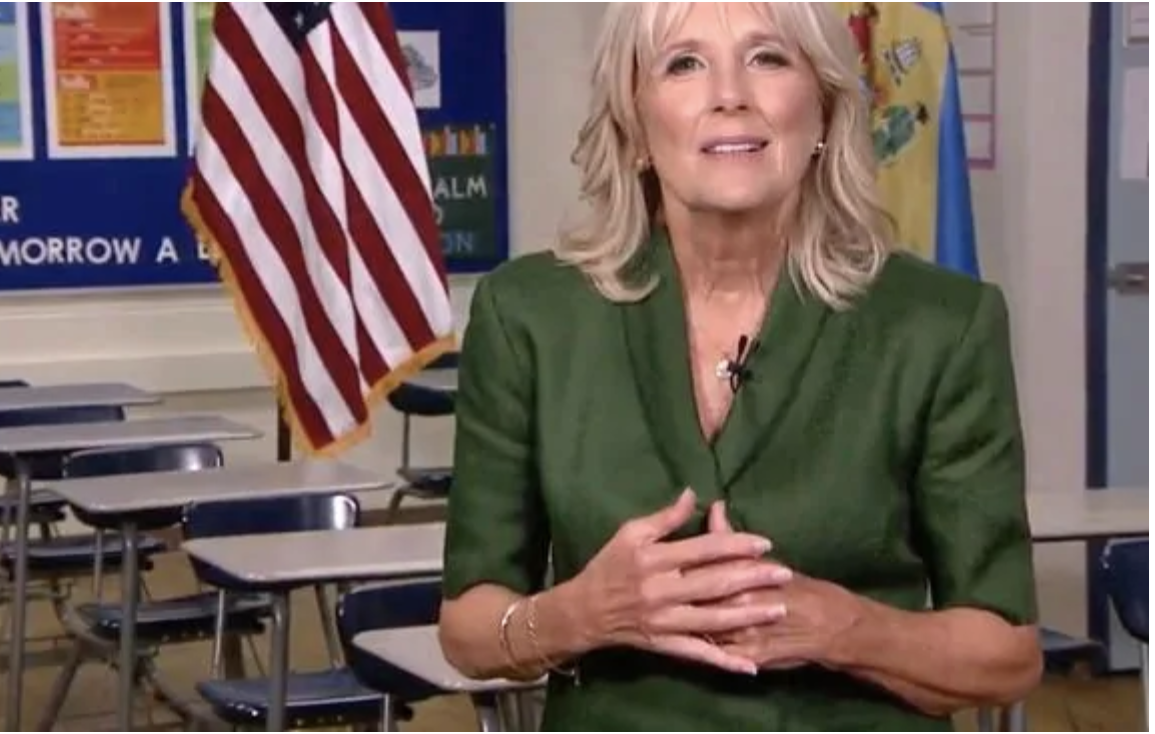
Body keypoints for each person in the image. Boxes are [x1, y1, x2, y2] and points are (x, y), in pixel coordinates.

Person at [437, 2, 1043, 731]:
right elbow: (469, 632)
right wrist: (579, 614)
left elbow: (1007, 654)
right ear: (634, 122)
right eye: (683, 63)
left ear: (822, 109)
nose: (730, 93)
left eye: (769, 58)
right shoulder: (528, 315)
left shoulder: (940, 324)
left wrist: (843, 629)